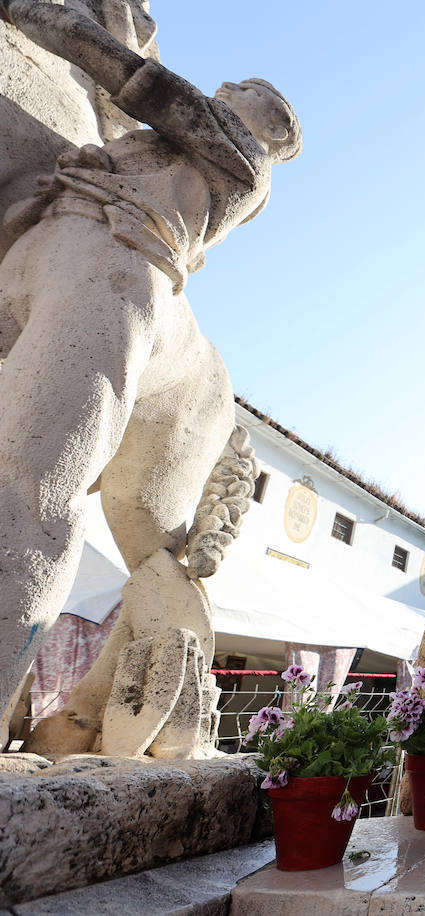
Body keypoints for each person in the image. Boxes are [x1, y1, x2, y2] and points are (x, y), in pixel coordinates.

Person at [0, 0, 300, 750]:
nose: (228, 84)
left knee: (37, 484)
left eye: (247, 87)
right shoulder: (144, 147)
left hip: (115, 265)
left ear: (268, 126)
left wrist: (57, 27)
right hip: (48, 231)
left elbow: (144, 84)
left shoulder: (243, 160)